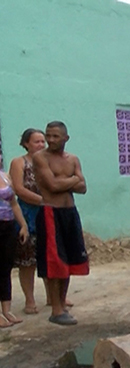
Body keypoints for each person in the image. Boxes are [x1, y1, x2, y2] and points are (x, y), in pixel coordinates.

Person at [32, 121, 89, 326]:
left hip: (70, 213)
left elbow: (83, 187)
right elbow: (53, 185)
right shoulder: (41, 158)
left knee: (70, 260)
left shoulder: (73, 159)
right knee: (55, 262)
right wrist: (72, 180)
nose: (51, 140)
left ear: (66, 138)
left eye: (56, 136)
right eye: (48, 135)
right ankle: (55, 308)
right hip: (50, 212)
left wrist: (69, 181)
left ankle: (62, 304)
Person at [8, 128, 47, 314]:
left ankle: (53, 296)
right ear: (26, 144)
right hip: (27, 215)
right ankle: (29, 300)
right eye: (36, 141)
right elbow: (18, 189)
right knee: (28, 260)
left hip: (48, 213)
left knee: (49, 256)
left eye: (43, 141)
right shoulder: (19, 162)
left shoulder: (48, 161)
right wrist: (44, 201)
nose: (41, 145)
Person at [0, 169, 30, 327]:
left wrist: (23, 225)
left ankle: (6, 310)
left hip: (9, 226)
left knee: (6, 268)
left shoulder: (5, 176)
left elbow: (14, 203)